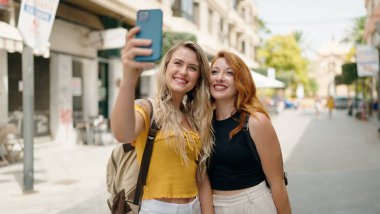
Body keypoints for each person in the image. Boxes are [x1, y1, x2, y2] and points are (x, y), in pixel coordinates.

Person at [110, 27, 214, 214]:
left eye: (193, 68)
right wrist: (128, 81)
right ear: (165, 67)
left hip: (194, 207)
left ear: (198, 79)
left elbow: (200, 175)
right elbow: (122, 133)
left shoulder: (195, 118)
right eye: (178, 63)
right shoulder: (147, 108)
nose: (183, 72)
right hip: (156, 208)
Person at [207, 51, 291, 214]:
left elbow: (277, 183)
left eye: (229, 73)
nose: (220, 77)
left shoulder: (255, 121)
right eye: (214, 71)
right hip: (212, 206)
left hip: (251, 205)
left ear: (241, 81)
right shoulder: (202, 121)